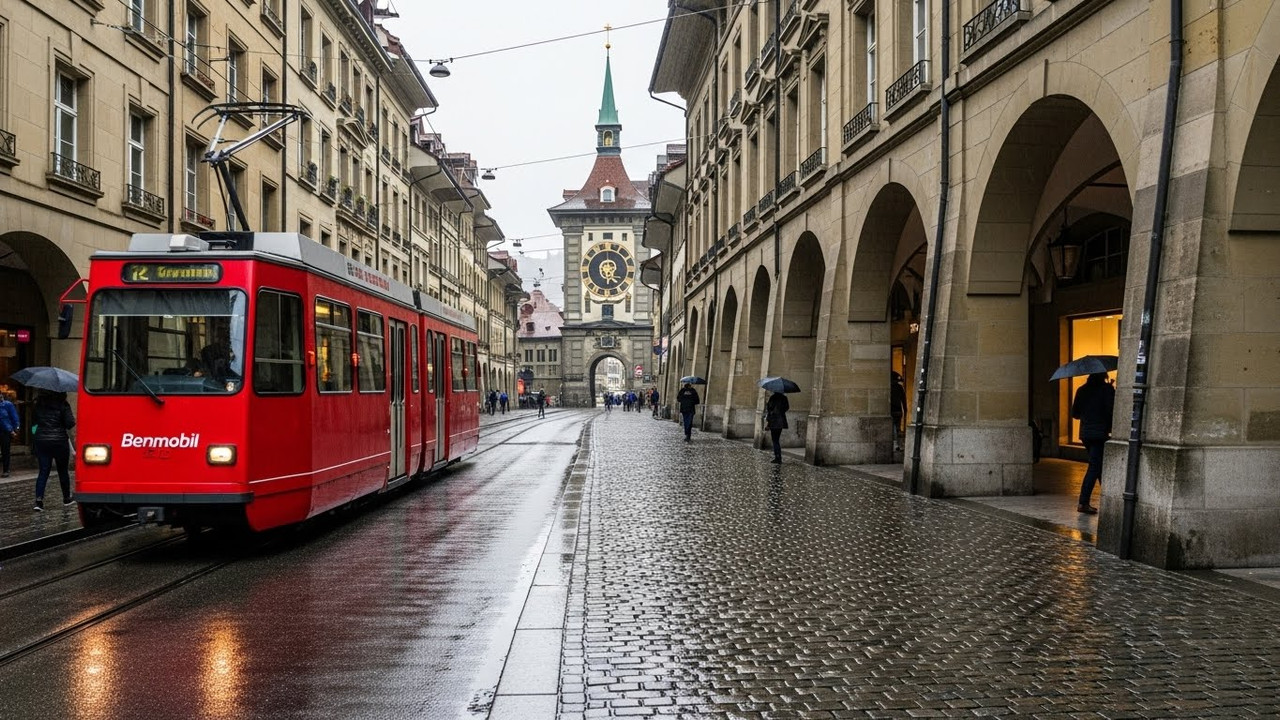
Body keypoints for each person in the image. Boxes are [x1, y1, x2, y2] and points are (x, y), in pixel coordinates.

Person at [1071, 372, 1115, 515]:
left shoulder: (1082, 390)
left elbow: (1075, 414)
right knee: (1095, 466)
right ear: (1104, 376)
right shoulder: (1106, 390)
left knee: (1099, 465)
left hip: (1086, 434)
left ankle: (1110, 500)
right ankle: (1083, 502)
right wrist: (1111, 390)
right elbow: (1111, 411)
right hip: (1099, 433)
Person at [31, 390, 75, 511]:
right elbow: (70, 423)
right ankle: (66, 498)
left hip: (41, 441)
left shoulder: (38, 404)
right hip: (59, 441)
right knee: (62, 470)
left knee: (43, 471)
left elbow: (34, 425)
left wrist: (35, 437)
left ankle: (39, 501)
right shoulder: (63, 404)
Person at [764, 390, 790, 463]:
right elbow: (787, 408)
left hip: (773, 422)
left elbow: (769, 411)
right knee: (777, 440)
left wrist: (768, 424)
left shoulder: (772, 398)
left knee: (775, 440)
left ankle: (778, 457)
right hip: (781, 422)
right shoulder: (784, 398)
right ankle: (778, 457)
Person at [0, 387, 19, 478]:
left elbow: (14, 417)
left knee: (5, 451)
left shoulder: (7, 405)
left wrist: (16, 428)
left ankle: (6, 470)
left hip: (5, 431)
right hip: (6, 430)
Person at [890, 371, 907, 452]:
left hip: (892, 410)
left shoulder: (889, 387)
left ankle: (895, 444)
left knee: (893, 428)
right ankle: (898, 444)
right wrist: (905, 410)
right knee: (897, 428)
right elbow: (903, 400)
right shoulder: (900, 388)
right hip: (899, 410)